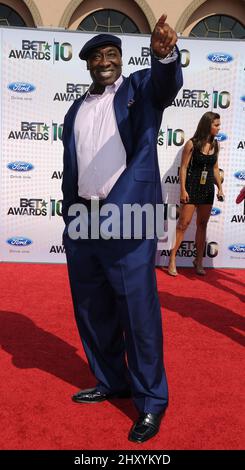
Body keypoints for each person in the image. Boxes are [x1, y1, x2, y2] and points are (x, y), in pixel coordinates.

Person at [62, 15, 183, 443]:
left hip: (130, 217)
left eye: (111, 54)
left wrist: (165, 55)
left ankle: (151, 401)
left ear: (121, 59)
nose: (105, 61)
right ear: (88, 65)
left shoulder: (138, 91)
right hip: (84, 221)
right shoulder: (75, 108)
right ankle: (112, 379)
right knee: (93, 310)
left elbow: (164, 85)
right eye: (97, 56)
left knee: (139, 313)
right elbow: (72, 166)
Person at [168, 111, 225, 277]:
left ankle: (198, 261)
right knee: (183, 224)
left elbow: (215, 168)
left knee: (202, 225)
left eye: (218, 125)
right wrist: (183, 189)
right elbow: (184, 168)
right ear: (208, 125)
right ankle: (172, 259)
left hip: (208, 189)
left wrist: (220, 188)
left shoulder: (215, 145)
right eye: (216, 125)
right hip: (191, 187)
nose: (218, 128)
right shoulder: (191, 144)